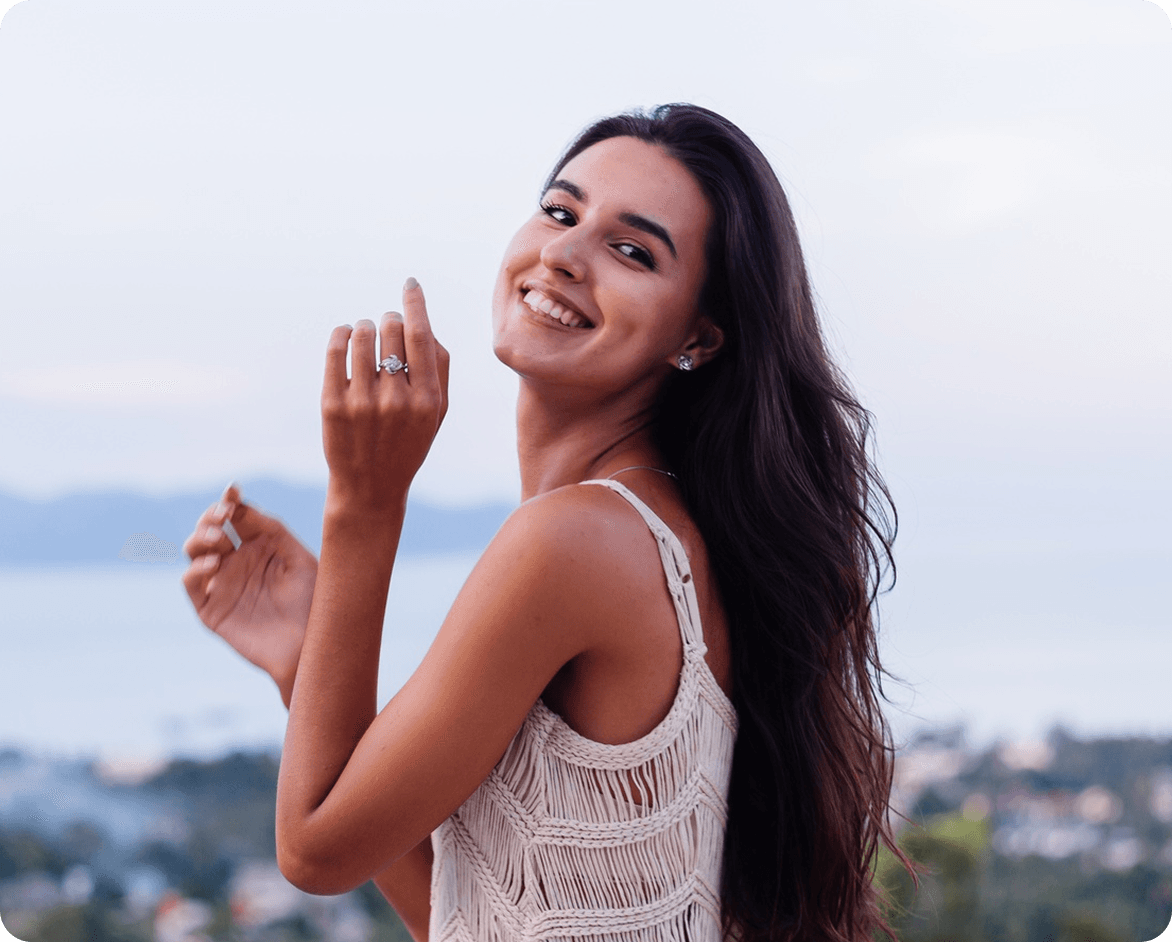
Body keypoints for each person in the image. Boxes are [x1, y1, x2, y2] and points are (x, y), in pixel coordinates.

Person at [183, 103, 907, 942]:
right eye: (561, 212)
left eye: (631, 251)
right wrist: (307, 660)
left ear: (698, 338)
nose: (563, 253)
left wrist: (366, 502)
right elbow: (476, 913)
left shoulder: (577, 542)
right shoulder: (658, 538)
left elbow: (314, 855)